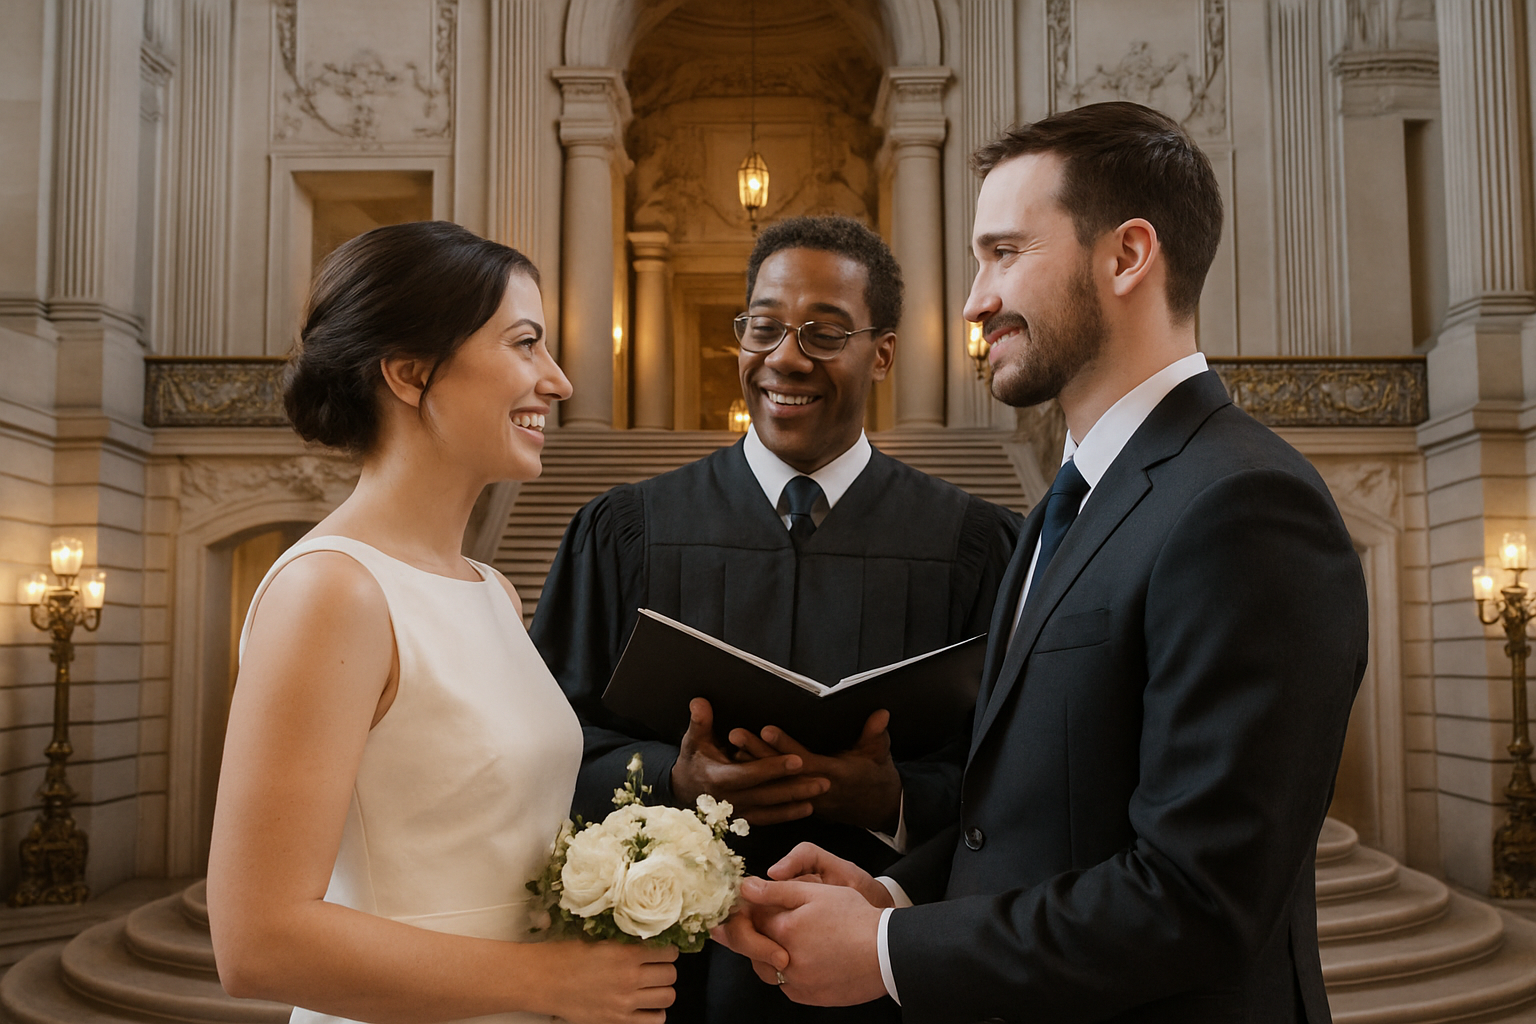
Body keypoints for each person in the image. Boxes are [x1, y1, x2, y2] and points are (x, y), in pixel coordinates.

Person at [716, 102, 1369, 1023]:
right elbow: (1036, 817)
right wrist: (894, 895)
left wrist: (889, 953)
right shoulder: (1065, 504)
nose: (977, 300)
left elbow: (1198, 896)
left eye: (1006, 254)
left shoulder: (1246, 504)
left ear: (1127, 256)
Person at [531, 215, 1021, 1023]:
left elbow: (1013, 775)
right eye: (763, 327)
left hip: (885, 978)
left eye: (825, 333)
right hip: (674, 980)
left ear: (883, 353)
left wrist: (895, 799)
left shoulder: (975, 546)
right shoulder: (626, 531)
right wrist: (672, 780)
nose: (785, 357)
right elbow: (550, 743)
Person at [206, 221, 678, 1024]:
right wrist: (552, 983)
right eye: (525, 344)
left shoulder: (491, 587)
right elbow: (257, 941)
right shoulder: (333, 591)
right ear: (409, 370)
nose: (559, 382)